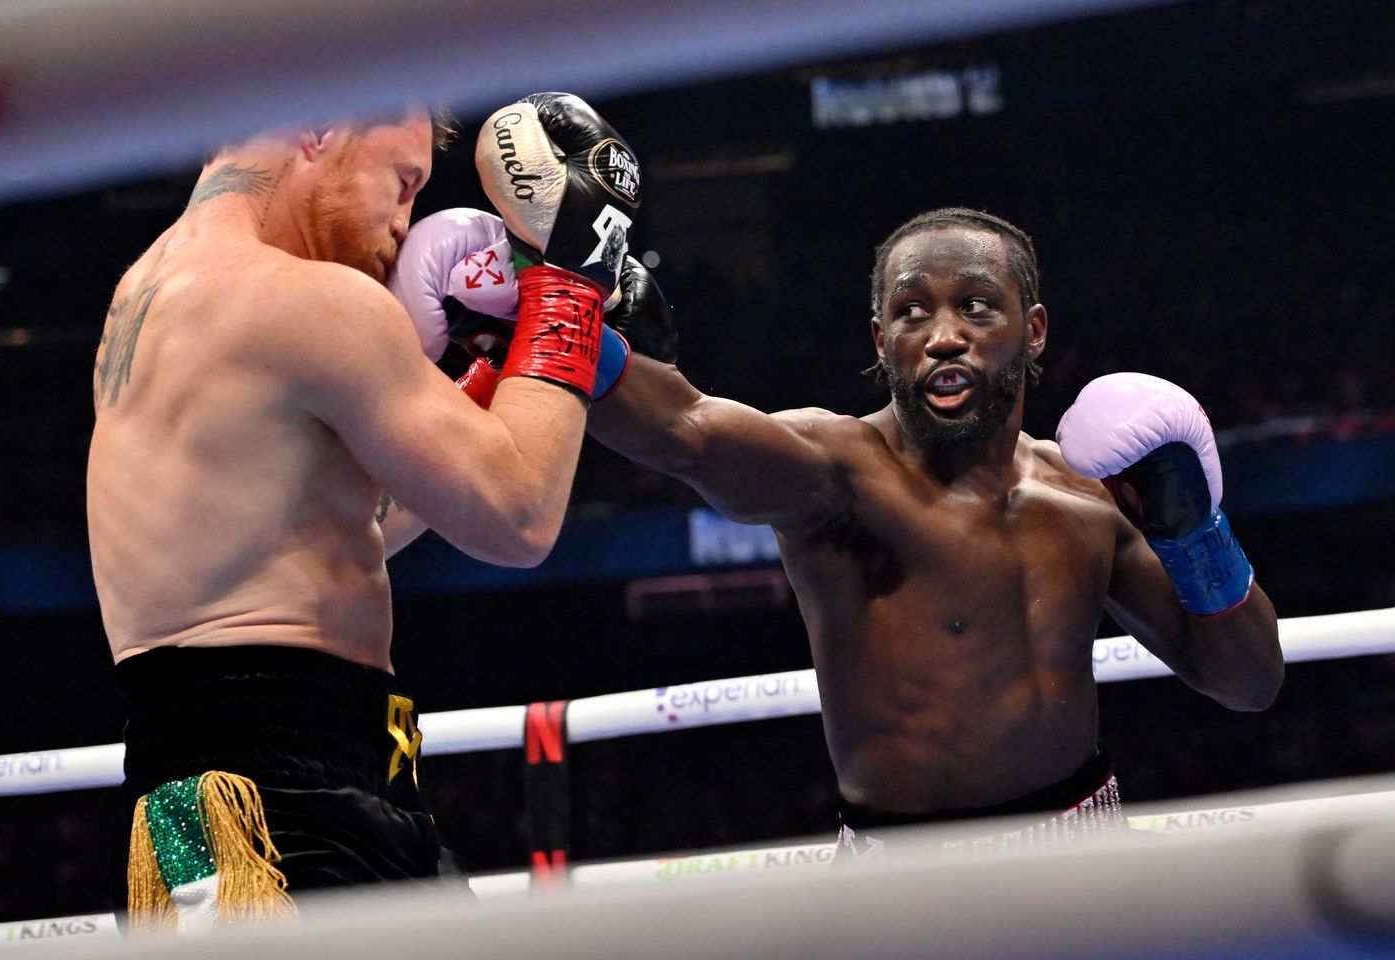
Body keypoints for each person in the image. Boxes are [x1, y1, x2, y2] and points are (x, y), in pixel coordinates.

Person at [528, 205, 1285, 856]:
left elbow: (1248, 682)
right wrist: (548, 305)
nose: (943, 335)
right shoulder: (836, 475)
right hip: (905, 875)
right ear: (880, 339)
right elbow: (684, 429)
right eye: (911, 312)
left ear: (1033, 330)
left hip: (1087, 846)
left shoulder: (1086, 495)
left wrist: (1195, 531)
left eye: (977, 306)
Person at [87, 99, 638, 930]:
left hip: (291, 783)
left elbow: (358, 517)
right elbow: (518, 512)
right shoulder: (305, 300)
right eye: (404, 182)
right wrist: (569, 288)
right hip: (264, 815)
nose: (406, 222)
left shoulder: (155, 288)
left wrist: (497, 370)